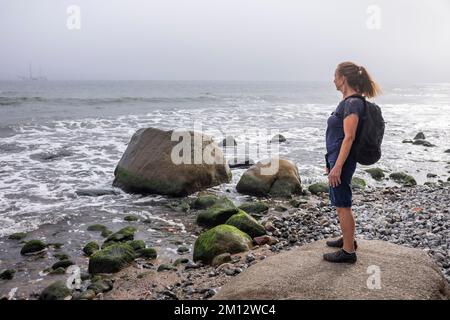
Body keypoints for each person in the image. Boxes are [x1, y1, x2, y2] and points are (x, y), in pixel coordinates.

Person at [323, 61, 381, 263]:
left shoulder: (352, 103)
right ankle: (348, 239)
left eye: (335, 75)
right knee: (340, 203)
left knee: (343, 204)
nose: (333, 80)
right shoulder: (350, 102)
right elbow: (339, 135)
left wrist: (337, 166)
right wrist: (331, 163)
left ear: (343, 78)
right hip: (338, 159)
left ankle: (348, 251)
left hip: (343, 161)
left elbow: (349, 137)